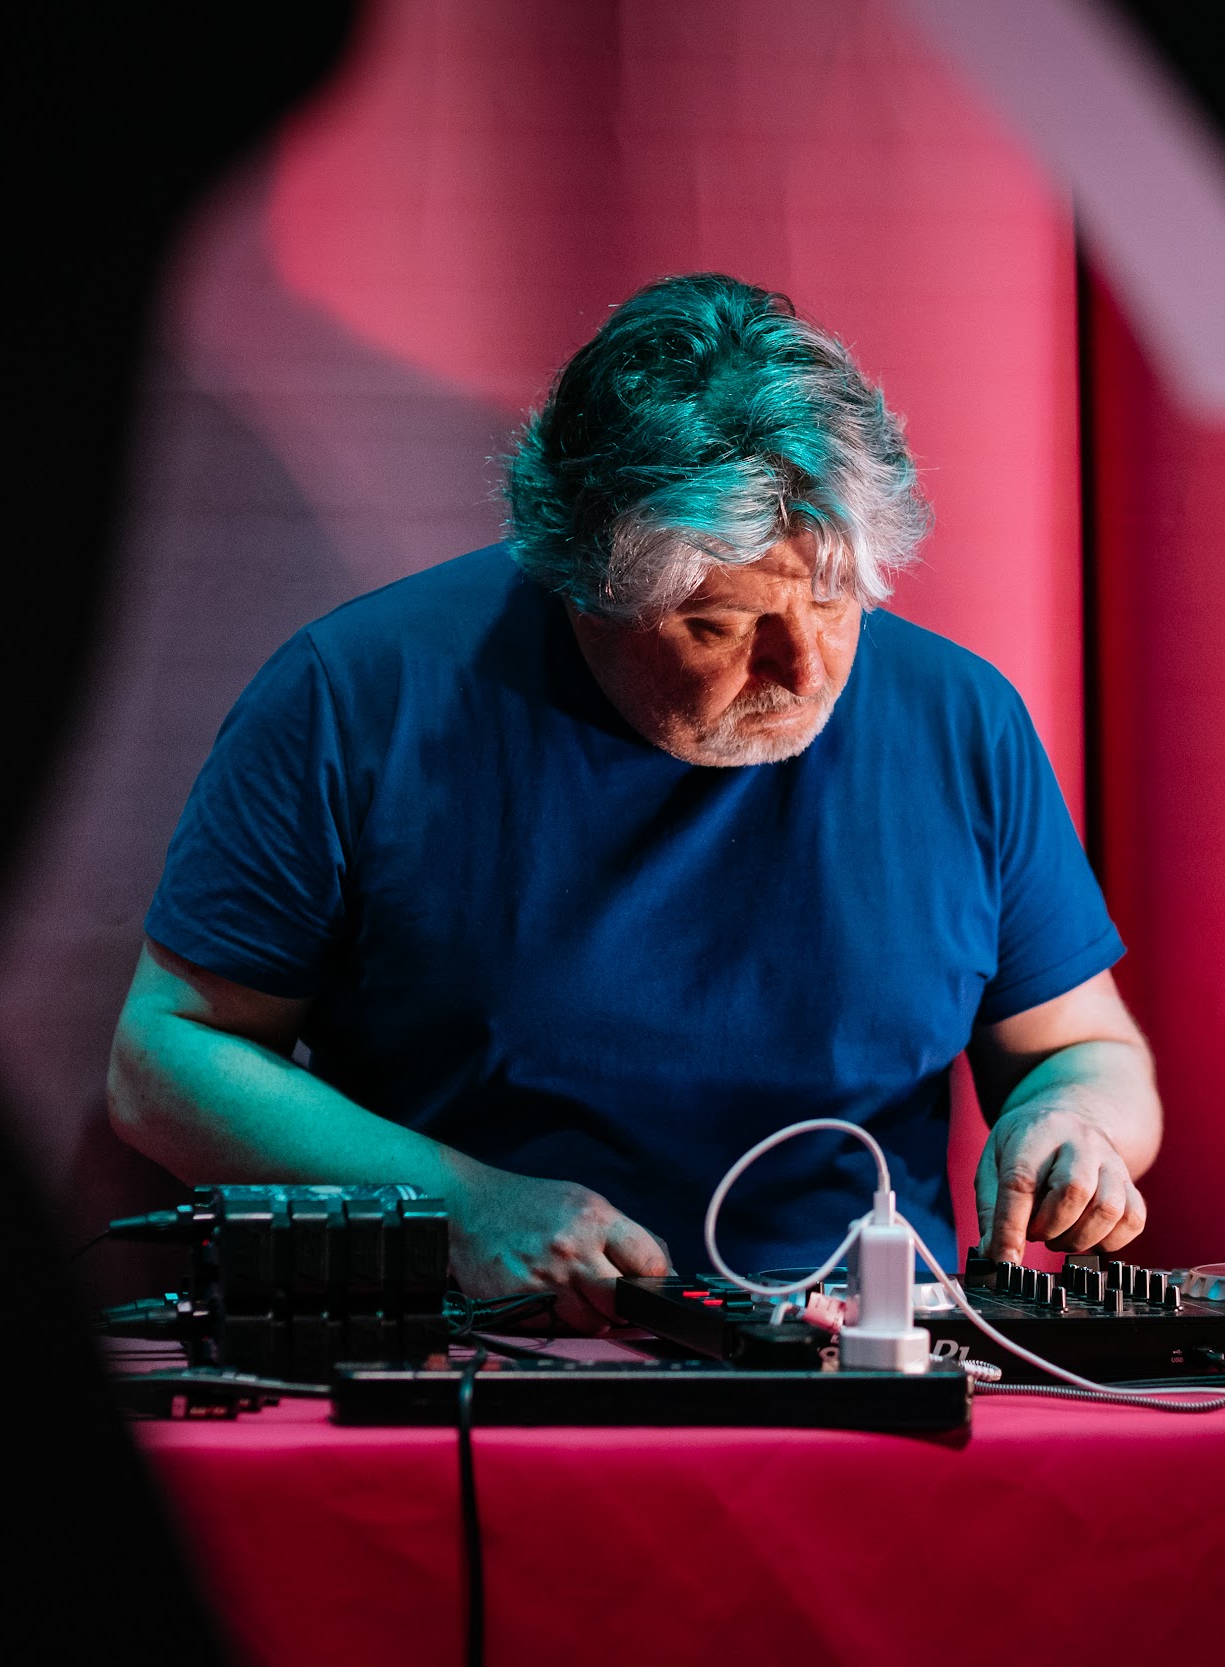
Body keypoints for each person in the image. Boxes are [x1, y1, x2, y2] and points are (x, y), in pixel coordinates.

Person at [107, 274, 1160, 1331]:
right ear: (584, 582)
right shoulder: (357, 693)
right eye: (719, 624)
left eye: (836, 600)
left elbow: (1086, 1047)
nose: (803, 670)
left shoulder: (961, 718)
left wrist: (1075, 1118)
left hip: (876, 1372)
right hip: (486, 1363)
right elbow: (165, 1059)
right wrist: (461, 1205)